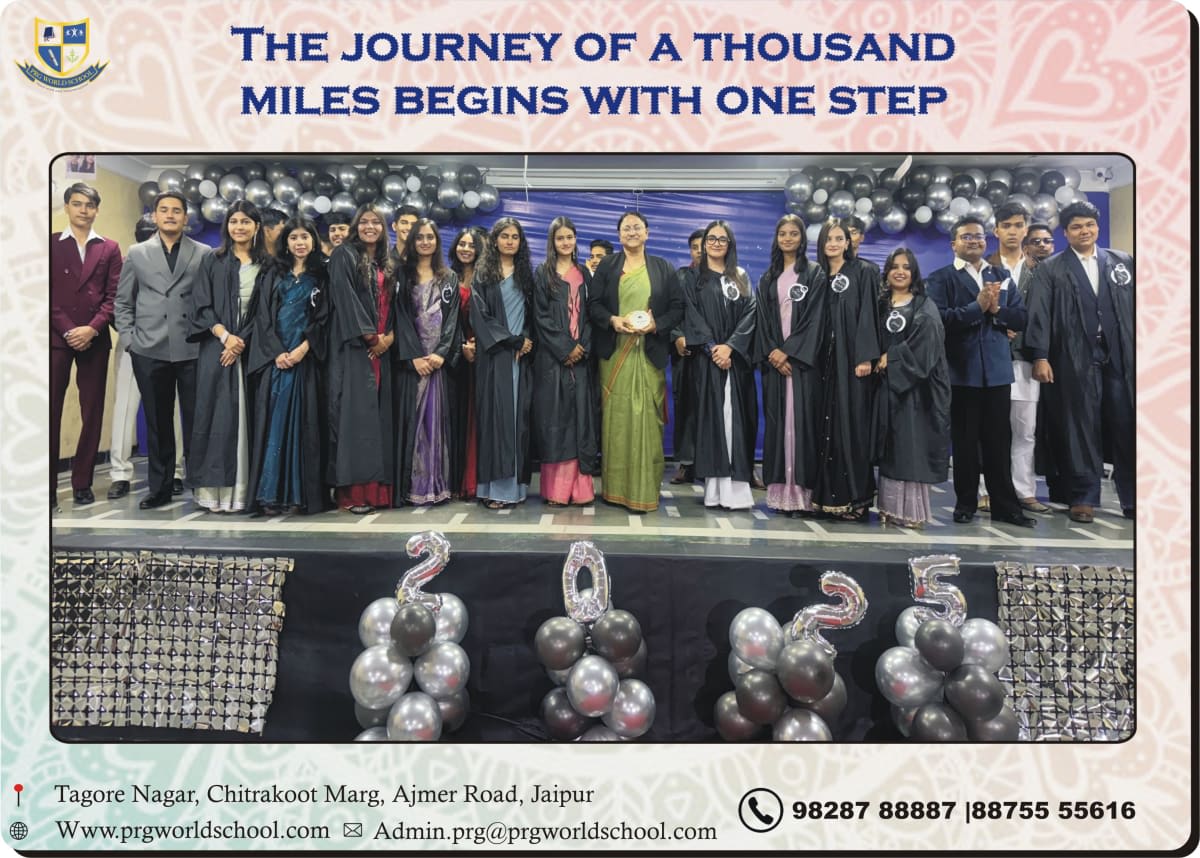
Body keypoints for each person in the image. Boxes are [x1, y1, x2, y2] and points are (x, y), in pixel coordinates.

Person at [1026, 201, 1134, 523]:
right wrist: (1040, 356)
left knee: (1126, 424)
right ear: (1066, 233)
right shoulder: (1051, 269)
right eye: (1076, 227)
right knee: (1080, 425)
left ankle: (1132, 498)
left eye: (1089, 225)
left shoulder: (1122, 262)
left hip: (1120, 356)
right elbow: (1039, 315)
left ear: (1097, 228)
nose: (1084, 231)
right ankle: (1083, 497)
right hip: (1074, 356)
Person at [926, 216, 1036, 527]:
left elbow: (1021, 318)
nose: (974, 241)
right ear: (953, 244)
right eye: (966, 236)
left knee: (999, 442)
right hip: (962, 372)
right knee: (965, 443)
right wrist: (977, 308)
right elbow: (940, 320)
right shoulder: (941, 278)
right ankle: (965, 504)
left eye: (978, 236)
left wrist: (998, 310)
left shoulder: (1001, 275)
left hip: (998, 372)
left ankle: (1006, 507)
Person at [114, 191, 210, 509]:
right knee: (158, 423)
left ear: (186, 217)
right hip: (149, 348)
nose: (170, 215)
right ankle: (160, 489)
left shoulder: (203, 252)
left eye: (176, 210)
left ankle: (201, 487)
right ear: (154, 216)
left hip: (192, 347)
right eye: (164, 210)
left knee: (197, 422)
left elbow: (209, 299)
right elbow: (123, 302)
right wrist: (130, 341)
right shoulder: (137, 253)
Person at [587, 211, 684, 512]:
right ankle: (615, 491)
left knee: (647, 422)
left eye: (637, 227)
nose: (632, 232)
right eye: (626, 228)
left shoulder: (662, 267)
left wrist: (656, 325)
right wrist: (613, 320)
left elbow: (678, 307)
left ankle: (644, 492)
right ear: (619, 235)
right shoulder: (608, 266)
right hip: (616, 352)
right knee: (616, 422)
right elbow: (594, 305)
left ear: (647, 233)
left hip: (648, 353)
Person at [244, 217, 331, 515]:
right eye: (294, 237)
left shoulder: (323, 274)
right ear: (286, 242)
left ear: (313, 240)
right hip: (276, 361)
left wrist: (304, 349)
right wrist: (278, 352)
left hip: (306, 361)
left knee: (305, 425)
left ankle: (301, 496)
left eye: (305, 237)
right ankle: (270, 494)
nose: (299, 243)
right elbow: (262, 317)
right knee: (274, 425)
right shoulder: (273, 272)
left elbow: (325, 318)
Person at [186, 201, 266, 513]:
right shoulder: (213, 260)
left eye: (246, 221)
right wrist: (226, 337)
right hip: (216, 348)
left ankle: (245, 492)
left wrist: (241, 341)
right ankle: (214, 494)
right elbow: (201, 304)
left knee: (250, 417)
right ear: (227, 226)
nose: (240, 227)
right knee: (215, 416)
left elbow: (267, 310)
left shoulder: (268, 265)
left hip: (253, 349)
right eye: (234, 221)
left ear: (256, 226)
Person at [51, 183, 122, 509]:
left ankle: (82, 483)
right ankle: (47, 487)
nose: (83, 210)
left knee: (92, 411)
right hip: (57, 338)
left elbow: (113, 297)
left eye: (89, 205)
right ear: (66, 207)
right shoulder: (50, 244)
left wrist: (92, 328)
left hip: (95, 338)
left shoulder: (109, 248)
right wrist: (69, 330)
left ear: (96, 210)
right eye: (77, 204)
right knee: (50, 411)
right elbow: (45, 293)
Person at [106, 219, 186, 500]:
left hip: (169, 345)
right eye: (142, 233)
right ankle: (120, 473)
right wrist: (129, 339)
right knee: (125, 407)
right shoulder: (131, 258)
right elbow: (119, 302)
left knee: (171, 409)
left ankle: (175, 471)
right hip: (135, 345)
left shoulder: (178, 259)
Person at [681, 220, 757, 510]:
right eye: (711, 239)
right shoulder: (693, 279)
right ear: (703, 244)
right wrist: (714, 348)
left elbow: (751, 313)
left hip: (735, 363)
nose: (715, 244)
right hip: (708, 361)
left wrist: (731, 347)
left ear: (730, 244)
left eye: (722, 239)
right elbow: (692, 316)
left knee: (736, 421)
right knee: (713, 422)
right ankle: (714, 490)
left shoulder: (740, 276)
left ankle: (737, 490)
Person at [754, 214, 827, 516]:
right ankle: (781, 493)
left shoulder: (814, 273)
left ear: (802, 238)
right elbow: (762, 319)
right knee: (778, 423)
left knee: (803, 424)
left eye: (793, 233)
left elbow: (816, 319)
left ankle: (803, 494)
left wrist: (790, 353)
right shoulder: (768, 277)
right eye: (782, 233)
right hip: (776, 365)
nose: (787, 238)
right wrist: (773, 351)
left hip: (801, 365)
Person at [873, 248, 951, 527]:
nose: (900, 272)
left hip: (917, 392)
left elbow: (926, 345)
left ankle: (910, 511)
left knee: (911, 448)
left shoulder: (924, 307)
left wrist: (891, 358)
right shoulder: (880, 304)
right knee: (891, 447)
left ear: (914, 273)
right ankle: (888, 507)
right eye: (895, 267)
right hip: (886, 388)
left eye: (906, 267)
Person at [326, 204, 396, 514]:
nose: (370, 227)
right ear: (356, 226)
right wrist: (371, 337)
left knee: (377, 421)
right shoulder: (344, 255)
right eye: (364, 222)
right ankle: (354, 494)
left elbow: (395, 303)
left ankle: (378, 493)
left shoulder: (386, 262)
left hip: (382, 348)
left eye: (376, 222)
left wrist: (389, 338)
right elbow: (345, 297)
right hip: (355, 349)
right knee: (356, 421)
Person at [810, 220, 880, 520]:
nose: (834, 243)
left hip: (851, 362)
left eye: (840, 238)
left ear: (849, 242)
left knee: (852, 426)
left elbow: (869, 314)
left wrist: (865, 357)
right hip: (821, 362)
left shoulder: (864, 271)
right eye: (829, 238)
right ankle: (826, 497)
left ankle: (856, 498)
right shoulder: (816, 275)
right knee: (825, 427)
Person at [392, 219, 460, 505]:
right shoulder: (401, 275)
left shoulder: (449, 277)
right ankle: (413, 486)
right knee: (414, 424)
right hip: (412, 363)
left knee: (437, 425)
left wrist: (441, 353)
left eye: (430, 237)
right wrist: (413, 357)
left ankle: (438, 485)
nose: (424, 242)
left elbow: (453, 319)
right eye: (419, 237)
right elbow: (399, 318)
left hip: (438, 363)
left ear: (437, 241)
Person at [532, 216, 598, 506]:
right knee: (557, 420)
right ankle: (557, 491)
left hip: (581, 360)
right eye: (560, 238)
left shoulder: (584, 274)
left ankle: (581, 490)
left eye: (570, 237)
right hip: (552, 360)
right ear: (552, 241)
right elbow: (541, 317)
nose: (565, 242)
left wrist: (581, 347)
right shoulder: (543, 274)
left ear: (575, 239)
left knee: (581, 418)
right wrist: (565, 349)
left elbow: (591, 315)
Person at [470, 217, 535, 509]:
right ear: (494, 240)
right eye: (504, 236)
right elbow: (480, 316)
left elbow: (534, 314)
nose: (510, 241)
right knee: (495, 420)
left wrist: (527, 339)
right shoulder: (483, 275)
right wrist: (513, 340)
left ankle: (514, 489)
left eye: (515, 237)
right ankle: (492, 488)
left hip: (520, 359)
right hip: (495, 356)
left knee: (517, 421)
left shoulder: (526, 275)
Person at [1006, 222, 1056, 513]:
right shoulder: (1006, 272)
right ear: (1025, 247)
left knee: (1025, 431)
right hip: (1002, 359)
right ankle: (987, 491)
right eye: (1036, 241)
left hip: (1032, 363)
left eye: (1047, 241)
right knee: (994, 430)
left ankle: (1024, 491)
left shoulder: (1056, 275)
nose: (1042, 246)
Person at [448, 226, 485, 499]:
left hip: (484, 354)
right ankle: (456, 481)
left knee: (479, 418)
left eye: (471, 245)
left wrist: (478, 345)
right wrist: (462, 345)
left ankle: (477, 481)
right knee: (457, 417)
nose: (466, 249)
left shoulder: (487, 278)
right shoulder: (447, 278)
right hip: (455, 357)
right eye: (462, 244)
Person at [669, 228, 706, 485]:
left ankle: (709, 462)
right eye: (695, 247)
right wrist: (677, 336)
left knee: (712, 409)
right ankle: (686, 463)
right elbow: (671, 310)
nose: (700, 251)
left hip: (712, 354)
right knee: (686, 409)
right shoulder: (681, 276)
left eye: (703, 246)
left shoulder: (725, 279)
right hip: (685, 353)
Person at [843, 215, 881, 286]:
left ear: (862, 237)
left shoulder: (871, 269)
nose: (849, 237)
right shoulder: (828, 266)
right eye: (845, 233)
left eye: (853, 233)